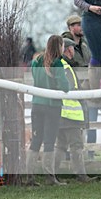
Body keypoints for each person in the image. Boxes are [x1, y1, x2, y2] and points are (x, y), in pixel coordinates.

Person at [27, 35, 70, 185]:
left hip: (37, 105)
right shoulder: (57, 63)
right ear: (59, 46)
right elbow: (65, 87)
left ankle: (29, 176)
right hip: (52, 106)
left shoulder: (36, 61)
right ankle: (50, 176)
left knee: (36, 141)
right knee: (50, 141)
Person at [55, 38, 94, 182]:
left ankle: (52, 174)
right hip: (71, 114)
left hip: (61, 113)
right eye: (72, 49)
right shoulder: (65, 67)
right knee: (76, 145)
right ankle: (81, 175)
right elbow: (71, 88)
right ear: (68, 49)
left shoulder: (61, 65)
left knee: (60, 146)